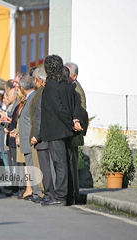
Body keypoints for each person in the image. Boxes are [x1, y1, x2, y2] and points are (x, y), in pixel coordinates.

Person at [40, 55, 84, 206]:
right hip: (67, 130)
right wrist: (74, 120)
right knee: (67, 162)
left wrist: (69, 123)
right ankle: (69, 196)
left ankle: (60, 197)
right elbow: (76, 105)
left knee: (60, 163)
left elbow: (58, 108)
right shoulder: (68, 86)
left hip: (57, 130)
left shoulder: (51, 85)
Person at [64, 62, 88, 205]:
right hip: (71, 129)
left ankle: (73, 194)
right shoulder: (70, 86)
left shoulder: (76, 89)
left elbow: (81, 109)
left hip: (74, 131)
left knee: (72, 163)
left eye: (67, 73)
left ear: (74, 75)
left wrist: (76, 121)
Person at [30, 67, 54, 204]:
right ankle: (49, 192)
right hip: (47, 135)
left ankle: (49, 193)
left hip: (43, 136)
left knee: (45, 166)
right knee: (47, 166)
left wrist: (36, 135)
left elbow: (39, 116)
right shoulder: (46, 92)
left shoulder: (43, 93)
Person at [17, 75, 42, 201]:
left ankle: (37, 192)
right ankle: (35, 192)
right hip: (27, 139)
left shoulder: (32, 98)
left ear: (21, 88)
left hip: (30, 139)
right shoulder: (31, 97)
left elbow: (33, 120)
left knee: (33, 166)